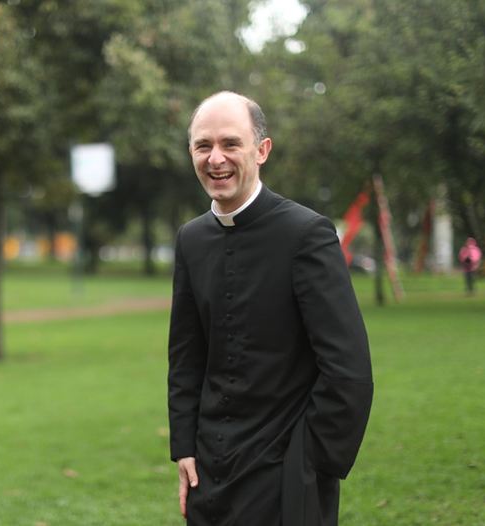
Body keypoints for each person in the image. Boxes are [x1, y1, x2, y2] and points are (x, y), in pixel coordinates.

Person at [168, 91, 374, 526]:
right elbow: (186, 356)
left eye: (230, 144)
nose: (215, 158)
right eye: (203, 146)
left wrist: (310, 459)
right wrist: (184, 447)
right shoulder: (191, 239)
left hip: (284, 472)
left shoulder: (308, 234)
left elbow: (348, 369)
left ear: (261, 151)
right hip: (208, 469)